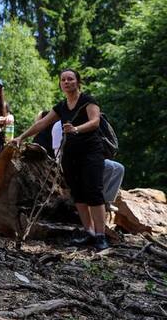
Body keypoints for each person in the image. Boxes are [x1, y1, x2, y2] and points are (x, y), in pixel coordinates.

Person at [11, 69, 110, 251]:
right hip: (70, 154)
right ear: (60, 84)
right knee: (78, 193)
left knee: (94, 191)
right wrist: (21, 137)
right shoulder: (61, 106)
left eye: (70, 79)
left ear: (77, 82)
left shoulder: (88, 101)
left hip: (91, 152)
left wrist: (76, 129)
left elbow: (95, 122)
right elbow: (42, 123)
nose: (67, 82)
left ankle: (101, 235)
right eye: (63, 80)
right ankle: (89, 232)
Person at [48, 119, 125, 212]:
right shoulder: (59, 125)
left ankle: (105, 200)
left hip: (86, 157)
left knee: (119, 168)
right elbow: (60, 150)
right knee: (108, 167)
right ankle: (95, 201)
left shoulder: (84, 121)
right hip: (68, 159)